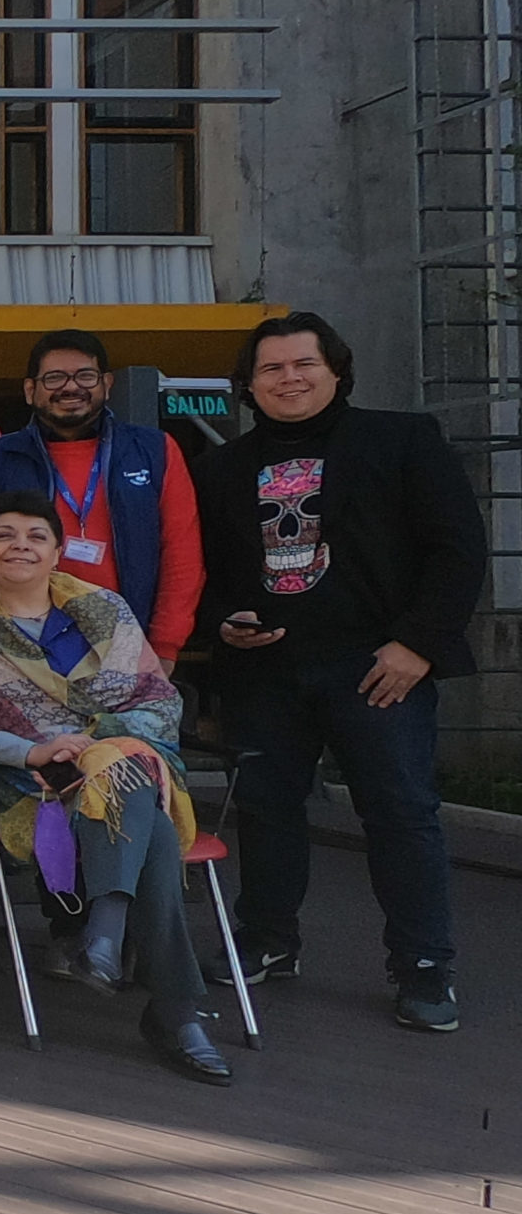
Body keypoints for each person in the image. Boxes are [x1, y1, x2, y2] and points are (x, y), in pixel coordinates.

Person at [196, 312, 489, 1033]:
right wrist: (222, 621)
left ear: (336, 371)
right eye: (271, 368)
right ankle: (267, 942)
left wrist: (417, 645)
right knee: (265, 812)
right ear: (248, 384)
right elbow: (203, 572)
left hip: (378, 667)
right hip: (266, 673)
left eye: (304, 364)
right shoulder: (221, 467)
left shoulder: (402, 439)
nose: (289, 378)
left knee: (400, 813)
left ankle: (423, 967)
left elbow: (457, 548)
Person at [0, 492, 229, 1083]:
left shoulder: (105, 611)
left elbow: (156, 704)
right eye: (4, 535)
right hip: (24, 783)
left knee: (121, 760)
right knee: (144, 812)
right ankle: (168, 1002)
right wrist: (30, 748)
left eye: (36, 535)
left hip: (115, 764)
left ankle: (105, 938)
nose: (20, 545)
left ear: (58, 550)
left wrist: (86, 743)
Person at [0, 330, 201, 665]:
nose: (71, 387)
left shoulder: (154, 450)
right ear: (30, 390)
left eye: (85, 375)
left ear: (107, 384)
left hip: (128, 643)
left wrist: (165, 645)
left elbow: (181, 553)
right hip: (22, 644)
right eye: (54, 378)